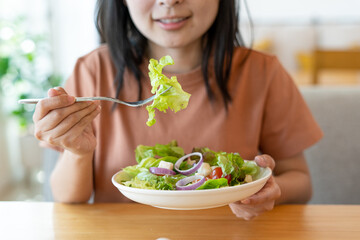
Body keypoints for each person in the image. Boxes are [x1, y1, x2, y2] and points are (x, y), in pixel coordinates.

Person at [32, 0, 322, 220]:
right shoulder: (94, 70)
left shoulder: (262, 72)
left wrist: (272, 190)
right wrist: (78, 152)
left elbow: (301, 182)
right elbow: (69, 199)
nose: (169, 1)